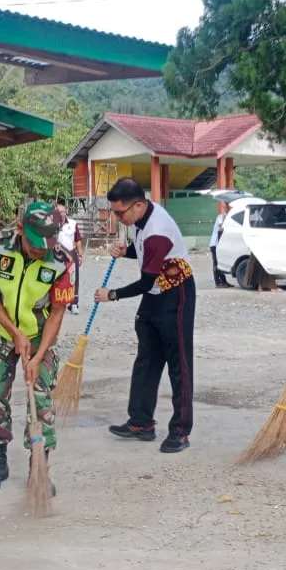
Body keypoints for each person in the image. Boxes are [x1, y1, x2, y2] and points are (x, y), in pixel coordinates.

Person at [0, 201, 75, 493]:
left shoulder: (62, 260)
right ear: (20, 229)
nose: (41, 251)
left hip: (41, 333)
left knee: (41, 400)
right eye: (35, 246)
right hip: (3, 330)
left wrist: (38, 355)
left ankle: (38, 465)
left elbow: (57, 312)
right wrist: (14, 332)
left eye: (46, 246)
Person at [94, 177, 196, 454]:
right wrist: (126, 251)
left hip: (176, 294)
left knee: (179, 362)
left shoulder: (157, 230)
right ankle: (141, 422)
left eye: (120, 213)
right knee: (146, 358)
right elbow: (145, 254)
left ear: (138, 205)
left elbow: (145, 281)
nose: (118, 218)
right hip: (155, 292)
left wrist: (113, 294)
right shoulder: (142, 221)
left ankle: (180, 431)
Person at [55, 198, 83, 314]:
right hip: (56, 254)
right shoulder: (51, 224)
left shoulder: (73, 223)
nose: (61, 214)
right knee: (57, 278)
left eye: (63, 212)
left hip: (71, 254)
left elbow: (78, 240)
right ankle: (56, 301)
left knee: (73, 278)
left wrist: (80, 255)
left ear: (66, 211)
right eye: (59, 212)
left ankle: (74, 303)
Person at [210, 206, 232, 288]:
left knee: (221, 263)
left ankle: (224, 281)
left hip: (220, 244)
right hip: (215, 244)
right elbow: (220, 227)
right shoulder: (221, 217)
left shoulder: (226, 217)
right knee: (216, 264)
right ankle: (218, 283)